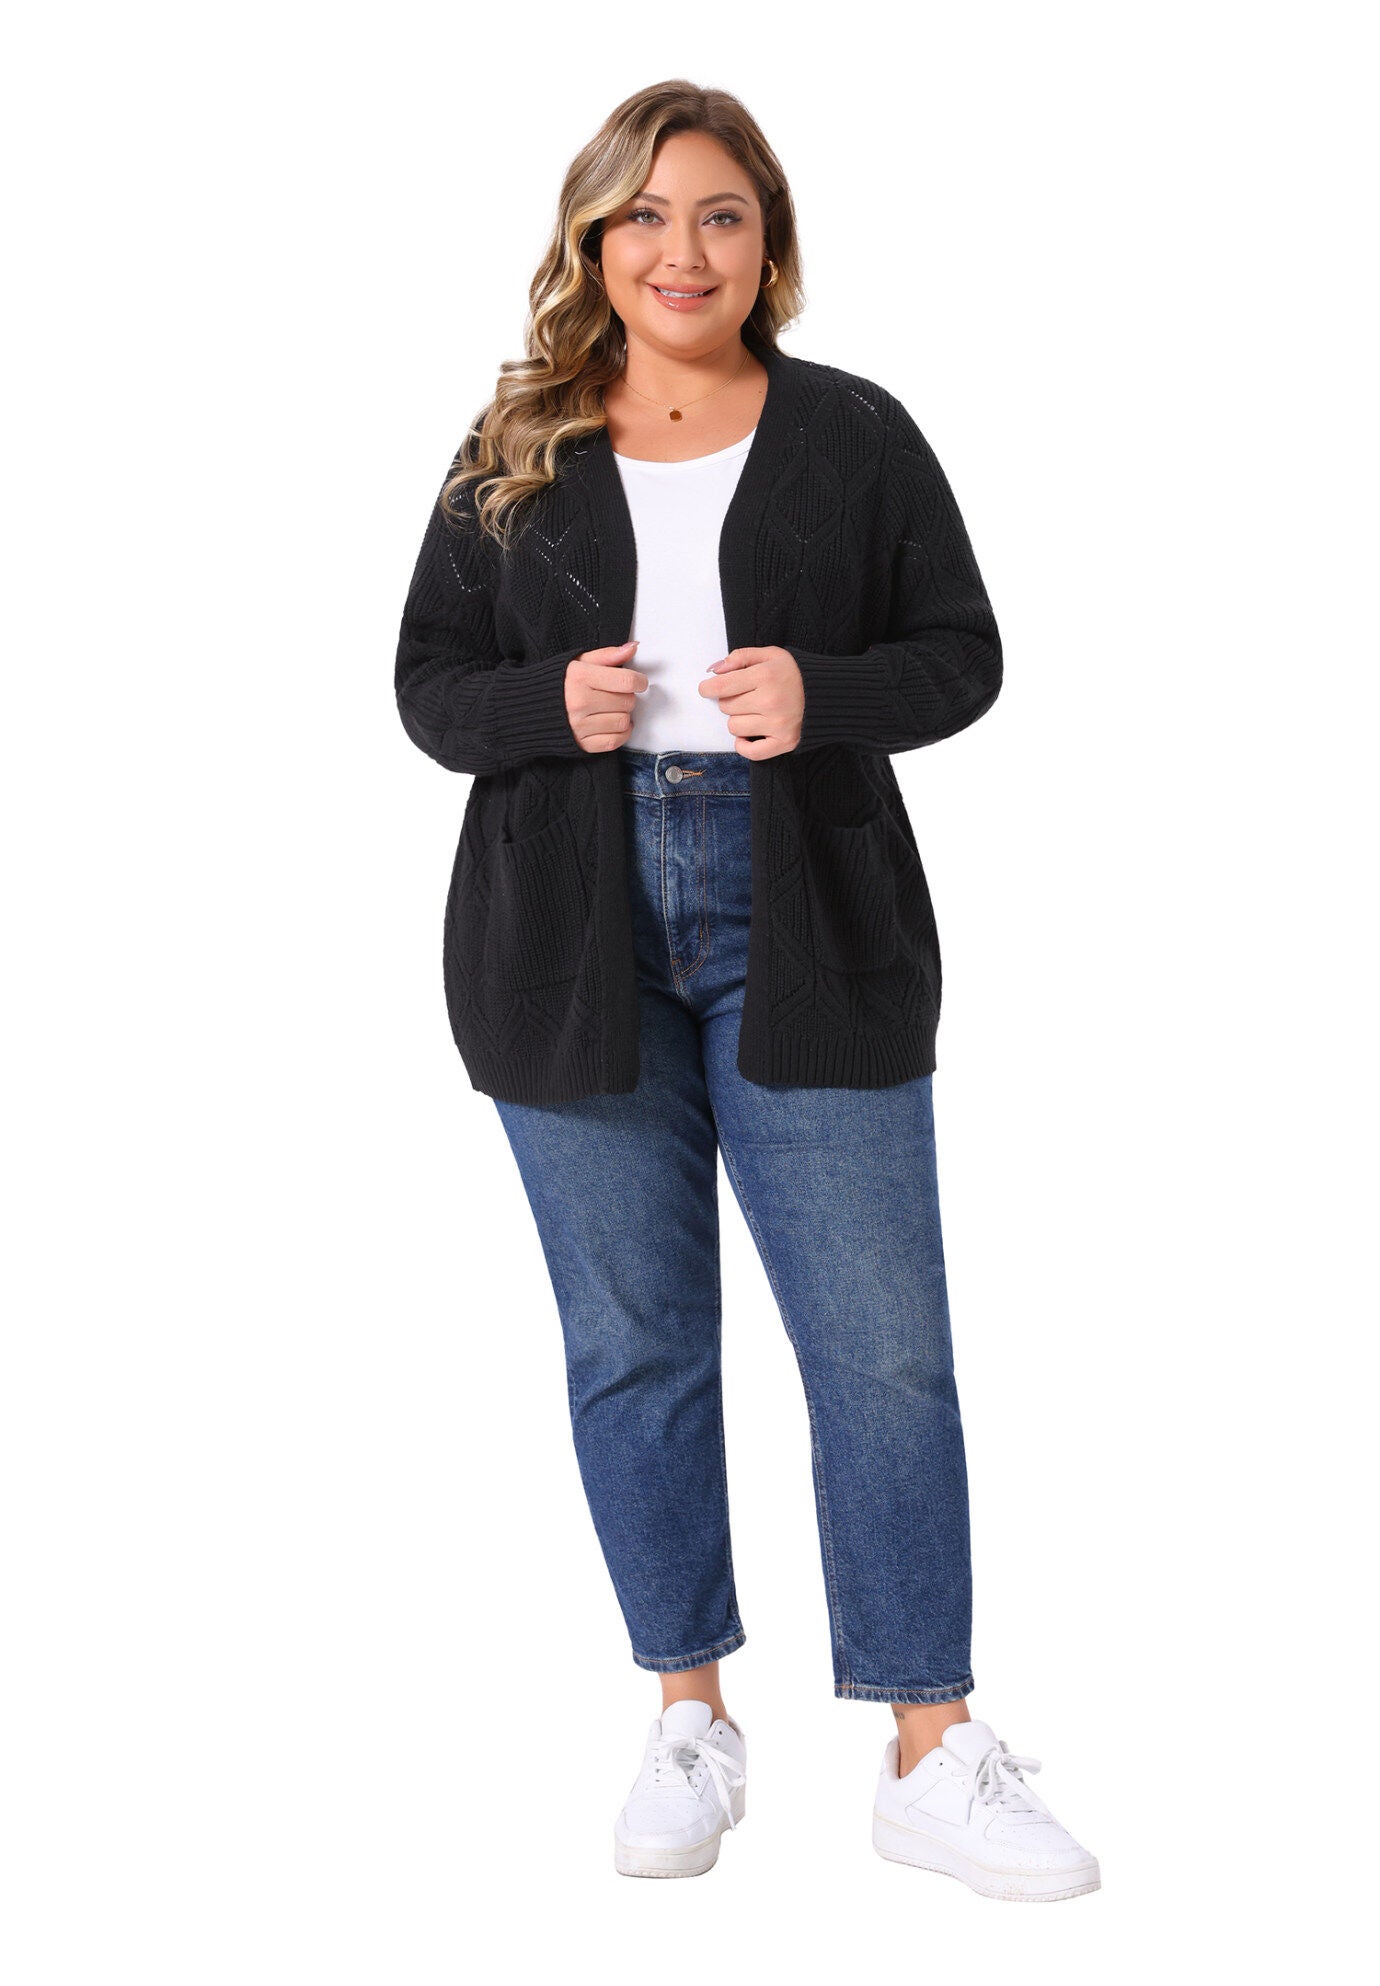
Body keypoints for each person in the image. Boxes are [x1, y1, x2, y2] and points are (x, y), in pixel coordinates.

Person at [394, 80, 1099, 1901]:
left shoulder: (854, 432)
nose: (680, 249)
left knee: (883, 1346)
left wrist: (827, 697)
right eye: (642, 214)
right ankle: (689, 1711)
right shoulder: (517, 444)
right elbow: (425, 686)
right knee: (635, 1341)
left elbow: (964, 652)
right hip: (564, 934)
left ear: (766, 239)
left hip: (813, 925)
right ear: (593, 243)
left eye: (717, 213)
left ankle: (930, 1745)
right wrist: (543, 707)